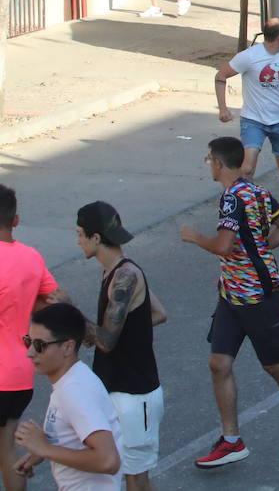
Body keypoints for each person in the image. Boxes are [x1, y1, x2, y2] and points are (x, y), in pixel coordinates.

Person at [179, 137, 279, 469]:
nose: (207, 165)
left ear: (218, 164)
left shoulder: (232, 199)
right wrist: (261, 249)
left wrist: (197, 238)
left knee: (274, 364)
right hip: (231, 295)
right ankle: (231, 440)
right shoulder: (255, 191)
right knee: (219, 363)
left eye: (208, 159)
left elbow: (225, 246)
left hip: (258, 297)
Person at [75, 203, 165, 491]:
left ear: (96, 238)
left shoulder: (125, 277)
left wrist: (69, 312)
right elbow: (158, 314)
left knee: (135, 479)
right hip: (123, 391)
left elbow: (106, 341)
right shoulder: (117, 272)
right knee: (132, 476)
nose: (77, 241)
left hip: (134, 395)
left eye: (80, 234)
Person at [0, 185, 68, 491]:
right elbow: (56, 301)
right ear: (16, 220)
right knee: (6, 449)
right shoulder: (31, 256)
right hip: (22, 373)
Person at [13, 304, 121, 489]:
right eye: (28, 341)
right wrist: (44, 451)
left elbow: (108, 461)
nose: (29, 353)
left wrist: (45, 448)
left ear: (67, 347)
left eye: (39, 345)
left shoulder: (74, 392)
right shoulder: (73, 379)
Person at [215, 17, 279, 219]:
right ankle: (246, 207)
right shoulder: (248, 57)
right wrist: (223, 108)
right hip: (253, 120)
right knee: (247, 168)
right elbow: (221, 75)